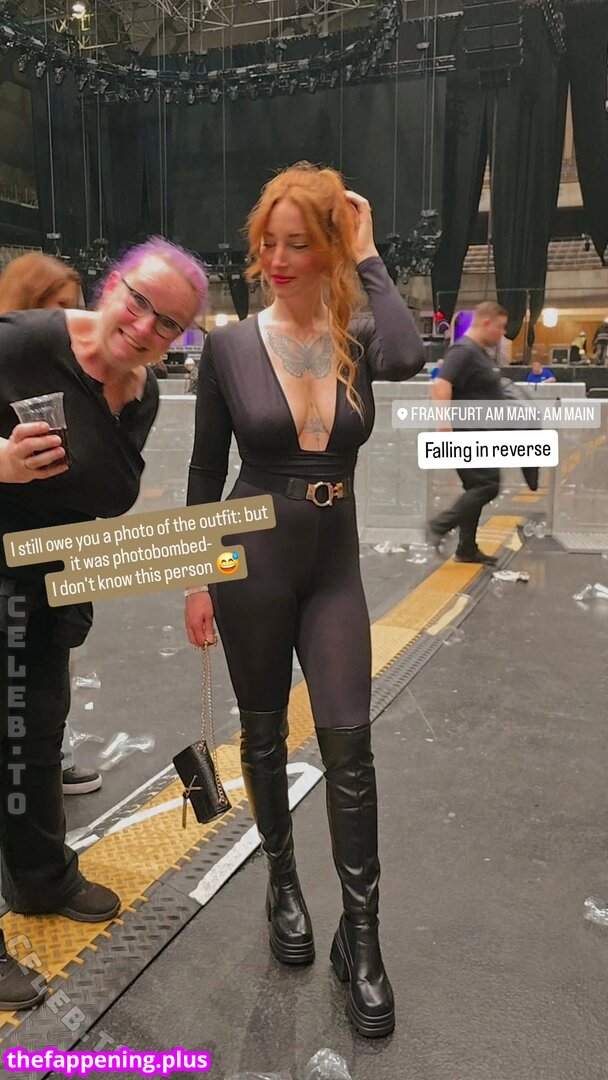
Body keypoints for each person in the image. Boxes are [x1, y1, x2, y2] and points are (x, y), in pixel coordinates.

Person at [185, 163, 425, 1039]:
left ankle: (362, 941)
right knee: (260, 732)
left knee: (350, 748)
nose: (278, 259)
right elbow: (204, 470)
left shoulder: (358, 333)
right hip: (249, 556)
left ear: (328, 248)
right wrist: (196, 576)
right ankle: (282, 884)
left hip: (334, 567)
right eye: (269, 243)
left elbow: (408, 355)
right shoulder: (228, 348)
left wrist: (370, 254)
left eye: (299, 243)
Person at [0, 237, 207, 1011]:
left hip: (44, 583)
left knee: (33, 737)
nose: (146, 326)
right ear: (110, 284)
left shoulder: (140, 394)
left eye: (168, 323)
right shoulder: (25, 342)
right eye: (139, 301)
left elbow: (96, 491)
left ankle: (42, 881)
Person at [0, 252, 103, 797]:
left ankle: (46, 760)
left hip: (60, 556)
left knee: (52, 670)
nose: (70, 324)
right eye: (57, 310)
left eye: (75, 309)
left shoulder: (74, 381)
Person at [427, 301, 507, 564]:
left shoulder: (479, 352)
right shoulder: (463, 350)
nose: (502, 333)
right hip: (468, 433)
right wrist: (444, 427)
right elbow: (440, 385)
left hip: (481, 432)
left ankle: (466, 548)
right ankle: (440, 525)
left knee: (477, 486)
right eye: (500, 327)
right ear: (486, 323)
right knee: (487, 486)